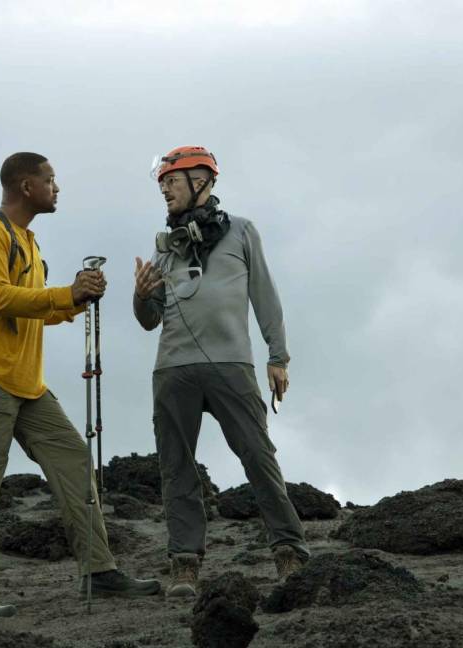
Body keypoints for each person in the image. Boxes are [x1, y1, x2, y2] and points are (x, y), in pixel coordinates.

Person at [0, 152, 160, 618]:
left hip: (27, 384)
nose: (57, 188)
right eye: (50, 180)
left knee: (75, 463)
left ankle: (99, 571)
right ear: (26, 187)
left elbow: (37, 309)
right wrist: (67, 293)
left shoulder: (29, 241)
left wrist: (77, 298)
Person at [132, 146, 309, 598]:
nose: (165, 189)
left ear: (201, 181)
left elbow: (265, 296)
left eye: (172, 180)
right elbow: (149, 320)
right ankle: (185, 565)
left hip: (231, 366)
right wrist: (140, 295)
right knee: (176, 470)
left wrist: (279, 356)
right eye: (163, 183)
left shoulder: (242, 232)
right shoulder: (163, 248)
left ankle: (290, 553)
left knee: (258, 456)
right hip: (172, 369)